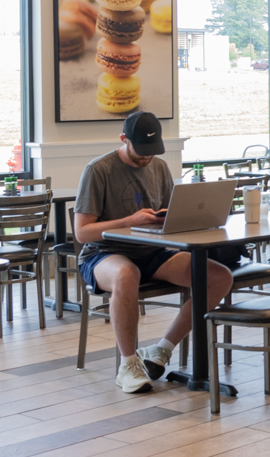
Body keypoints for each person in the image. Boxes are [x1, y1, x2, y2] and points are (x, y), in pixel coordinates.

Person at [74, 111, 234, 394]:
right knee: (126, 274)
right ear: (124, 139)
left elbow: (170, 212)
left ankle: (161, 350)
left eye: (153, 150)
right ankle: (128, 364)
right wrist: (130, 220)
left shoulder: (159, 167)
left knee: (219, 277)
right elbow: (82, 232)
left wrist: (176, 219)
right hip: (103, 253)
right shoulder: (98, 170)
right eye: (142, 150)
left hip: (152, 250)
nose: (147, 156)